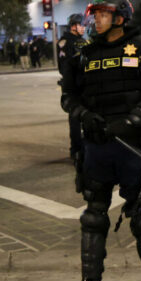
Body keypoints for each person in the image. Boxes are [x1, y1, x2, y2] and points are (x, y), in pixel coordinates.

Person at [61, 0, 141, 281]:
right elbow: (68, 97)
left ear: (120, 18)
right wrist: (85, 115)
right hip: (97, 146)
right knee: (93, 216)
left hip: (132, 144)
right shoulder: (83, 54)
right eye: (95, 14)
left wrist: (131, 120)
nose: (96, 20)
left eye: (102, 14)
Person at [58, 14, 87, 171]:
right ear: (73, 26)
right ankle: (76, 149)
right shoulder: (66, 42)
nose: (83, 28)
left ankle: (87, 147)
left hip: (86, 84)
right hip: (73, 85)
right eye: (81, 25)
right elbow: (64, 66)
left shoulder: (83, 41)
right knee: (75, 117)